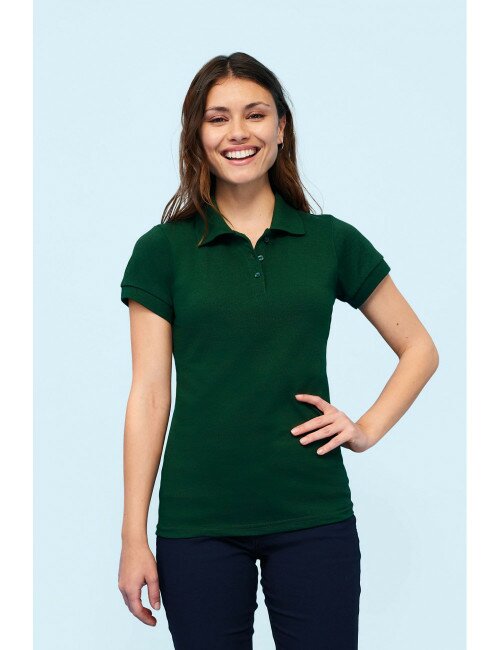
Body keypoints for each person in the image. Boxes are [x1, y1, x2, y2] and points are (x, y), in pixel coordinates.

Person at [117, 52, 439, 650]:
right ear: (197, 134)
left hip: (313, 513)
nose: (238, 132)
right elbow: (150, 394)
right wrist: (132, 535)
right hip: (198, 521)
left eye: (255, 114)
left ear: (281, 127)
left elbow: (419, 347)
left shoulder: (331, 242)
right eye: (218, 118)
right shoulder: (162, 251)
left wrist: (365, 428)